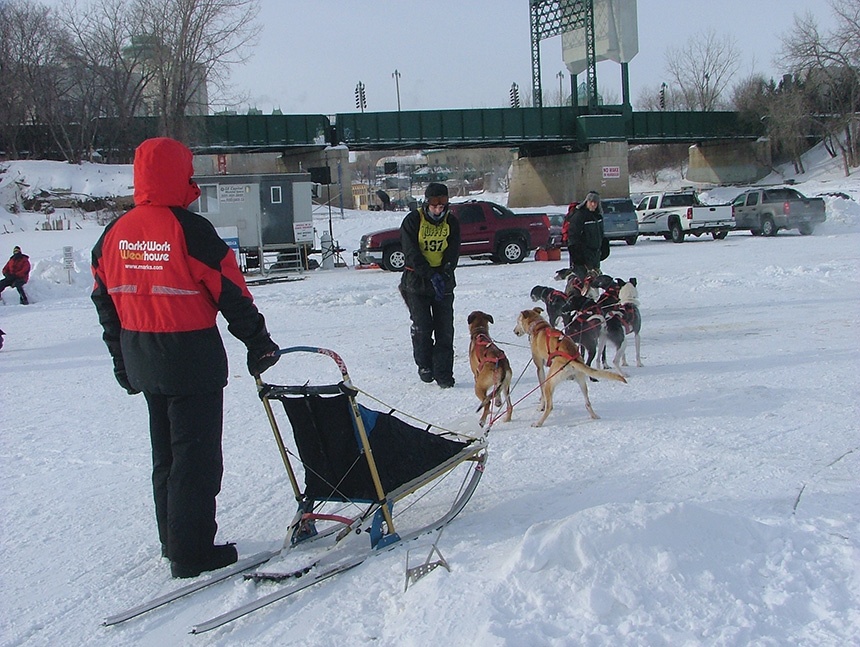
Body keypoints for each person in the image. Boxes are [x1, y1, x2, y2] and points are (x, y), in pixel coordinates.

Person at [91, 137, 280, 579]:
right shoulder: (190, 230)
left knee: (167, 457)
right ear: (179, 173)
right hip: (190, 359)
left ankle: (172, 540)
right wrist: (259, 342)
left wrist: (121, 359)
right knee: (196, 460)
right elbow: (231, 292)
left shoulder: (114, 234)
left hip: (143, 358)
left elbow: (104, 302)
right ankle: (192, 552)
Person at [398, 182, 460, 388]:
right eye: (434, 206)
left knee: (445, 330)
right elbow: (410, 253)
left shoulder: (451, 222)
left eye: (442, 206)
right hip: (417, 282)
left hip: (443, 283)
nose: (438, 210)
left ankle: (444, 374)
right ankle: (424, 365)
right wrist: (430, 273)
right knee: (423, 327)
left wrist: (445, 271)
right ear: (426, 204)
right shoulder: (413, 220)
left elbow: (453, 250)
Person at [564, 191, 605, 276]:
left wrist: (604, 246)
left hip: (595, 257)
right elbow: (573, 237)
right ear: (586, 202)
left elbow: (601, 234)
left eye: (595, 202)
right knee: (582, 283)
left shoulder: (598, 216)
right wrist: (577, 257)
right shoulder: (579, 215)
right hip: (582, 258)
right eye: (591, 202)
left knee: (594, 284)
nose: (593, 204)